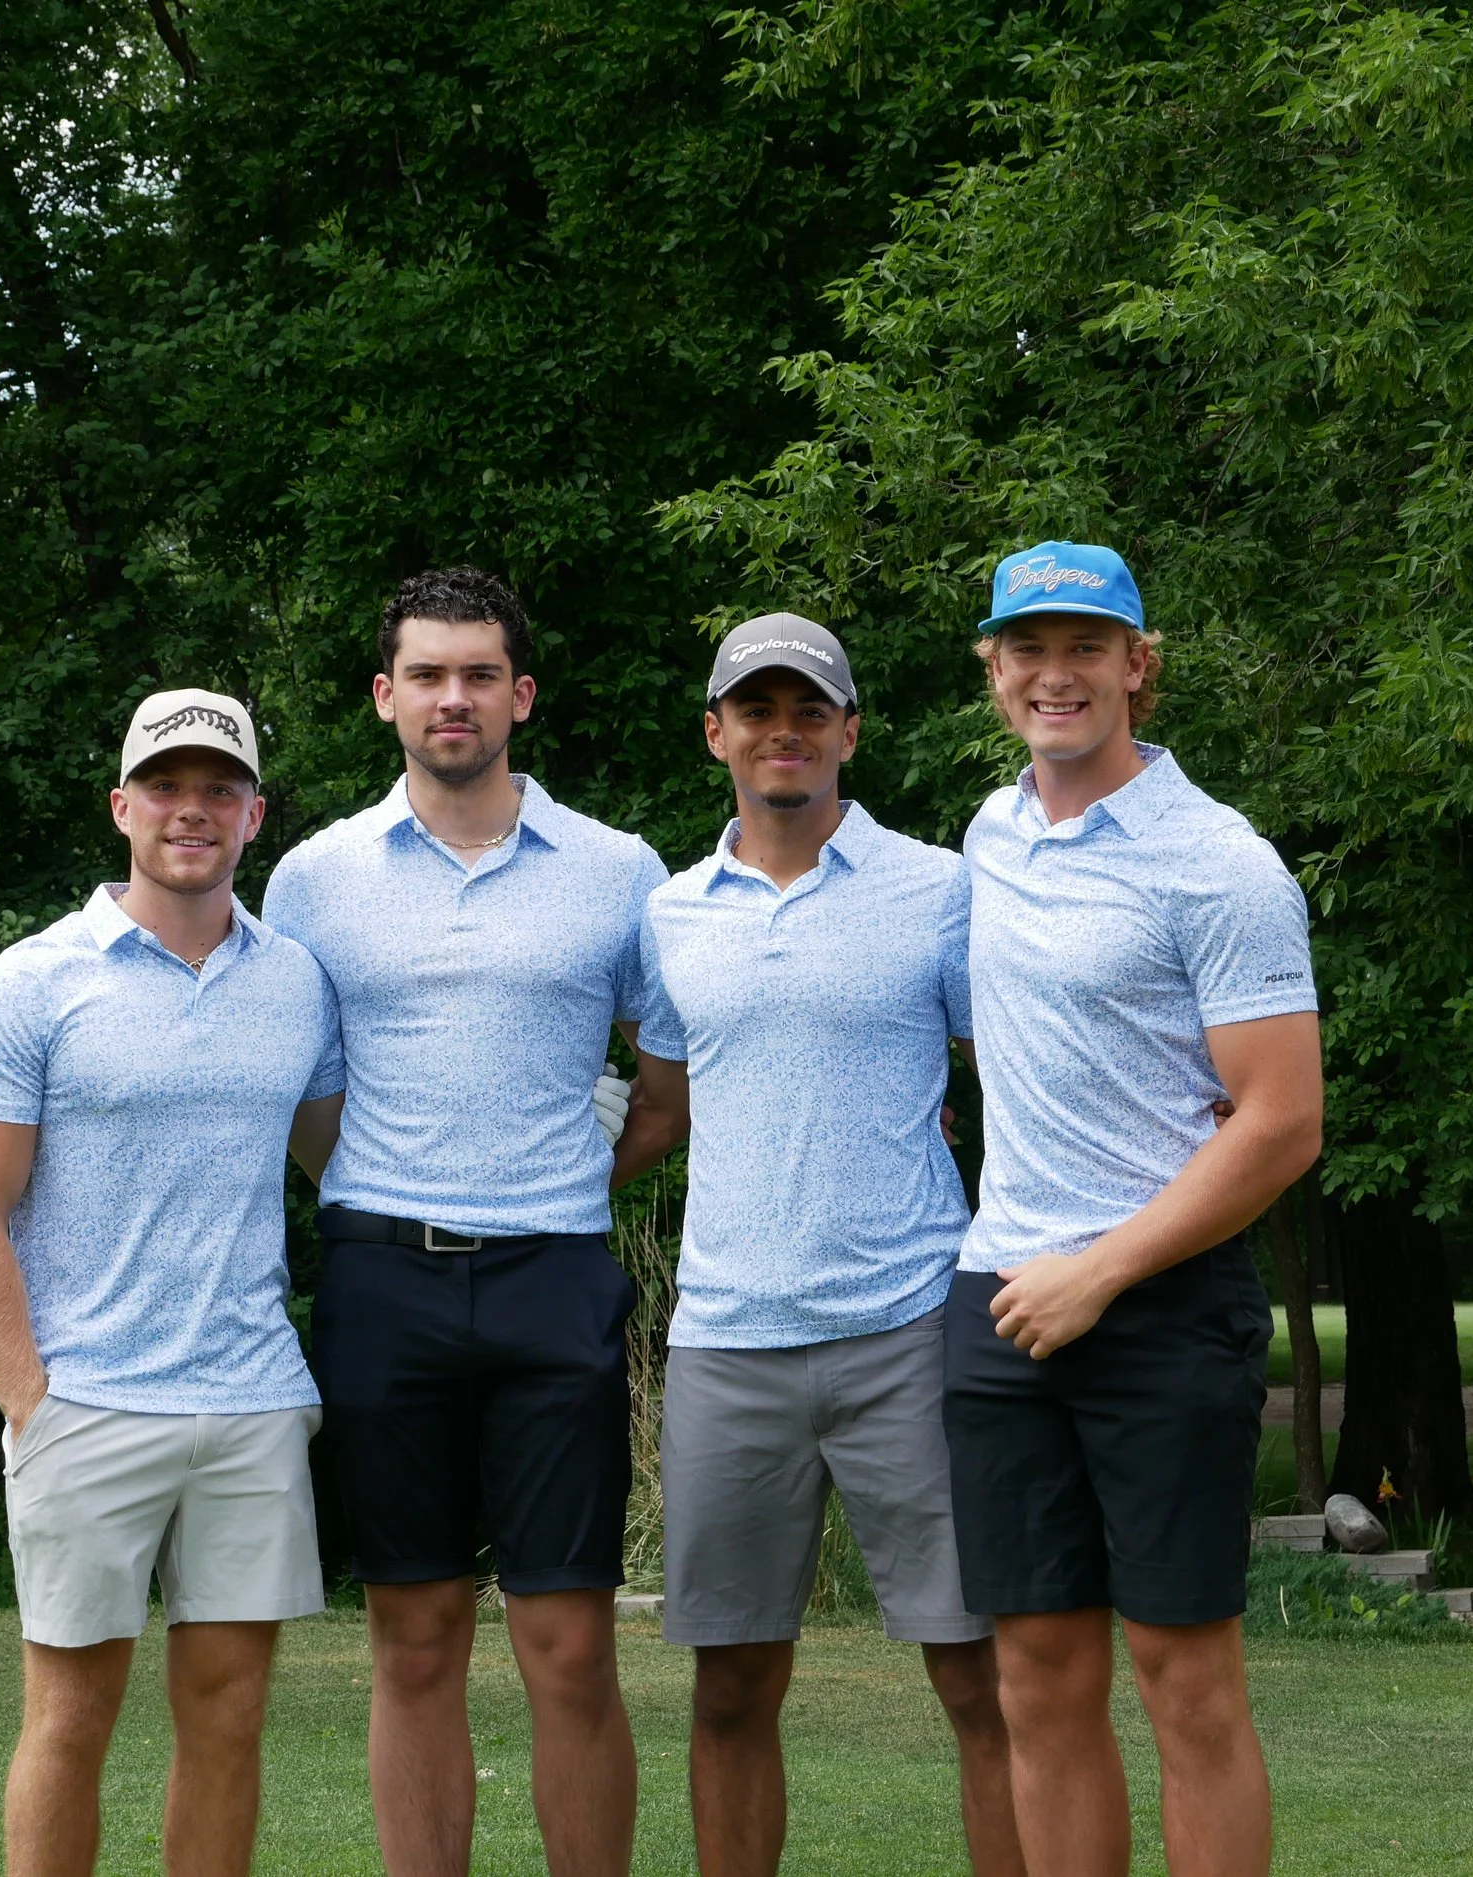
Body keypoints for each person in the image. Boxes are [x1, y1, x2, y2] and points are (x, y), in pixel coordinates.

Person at [261, 567, 690, 1877]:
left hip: (553, 1284)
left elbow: (667, 1087)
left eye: (481, 673)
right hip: (384, 1288)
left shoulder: (619, 872)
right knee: (416, 1634)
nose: (456, 696)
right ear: (387, 695)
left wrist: (552, 1188)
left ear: (522, 694)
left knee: (568, 1643)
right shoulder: (313, 878)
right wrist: (403, 1190)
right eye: (430, 674)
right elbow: (299, 1095)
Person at [944, 542, 1324, 1877]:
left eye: (1086, 647)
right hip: (998, 1303)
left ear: (1137, 667)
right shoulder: (990, 837)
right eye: (1029, 649)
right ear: (995, 673)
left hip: (1160, 1308)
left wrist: (1102, 1270)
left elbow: (1282, 1119)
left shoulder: (1219, 863)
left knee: (1185, 1678)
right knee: (1038, 1680)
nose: (1057, 673)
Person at [634, 613, 1025, 1877]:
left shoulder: (938, 889)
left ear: (849, 730)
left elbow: (1017, 1067)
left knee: (983, 1679)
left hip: (912, 1325)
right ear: (717, 734)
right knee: (733, 1690)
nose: (783, 729)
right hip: (726, 1346)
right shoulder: (669, 915)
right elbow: (658, 1103)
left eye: (810, 708)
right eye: (756, 708)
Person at [0, 689, 346, 1877]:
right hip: (88, 1401)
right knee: (71, 1717)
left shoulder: (296, 980)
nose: (191, 809)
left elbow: (344, 1157)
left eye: (219, 788)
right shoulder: (33, 980)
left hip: (251, 1400)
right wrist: (32, 1399)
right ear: (122, 805)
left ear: (254, 813)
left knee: (228, 1716)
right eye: (165, 786)